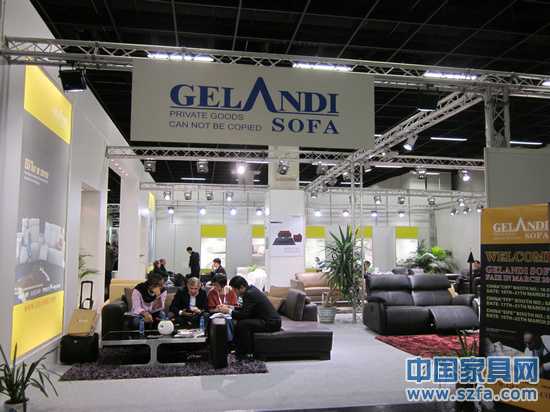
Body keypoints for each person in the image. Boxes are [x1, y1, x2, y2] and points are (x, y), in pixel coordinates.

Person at [221, 276, 281, 360]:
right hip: (267, 320)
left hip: (271, 323)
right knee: (242, 323)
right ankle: (239, 350)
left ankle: (247, 353)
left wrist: (228, 311)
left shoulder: (249, 294)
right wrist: (231, 308)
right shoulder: (251, 290)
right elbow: (247, 310)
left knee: (243, 324)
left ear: (241, 287)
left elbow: (244, 315)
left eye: (234, 290)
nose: (234, 292)